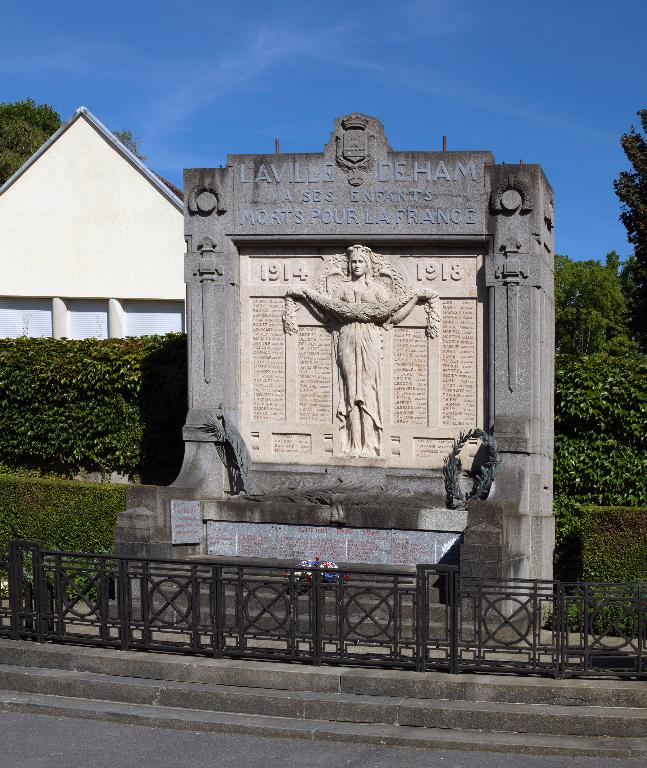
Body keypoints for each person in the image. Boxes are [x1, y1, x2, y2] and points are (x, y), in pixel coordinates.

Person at [288, 245, 429, 457]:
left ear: (367, 265)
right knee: (350, 392)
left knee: (369, 389)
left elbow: (392, 317)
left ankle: (371, 445)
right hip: (346, 339)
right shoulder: (341, 290)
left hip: (370, 340)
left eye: (360, 261)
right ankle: (353, 444)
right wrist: (307, 298)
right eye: (353, 262)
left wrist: (415, 299)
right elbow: (327, 316)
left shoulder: (377, 290)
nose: (356, 265)